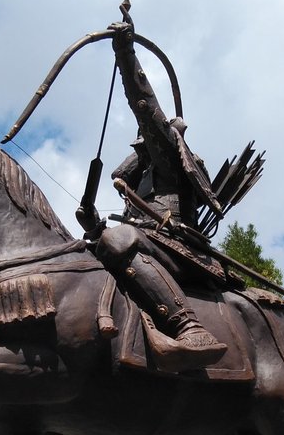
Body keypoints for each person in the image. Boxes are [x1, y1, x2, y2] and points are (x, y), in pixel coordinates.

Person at [85, 19, 228, 372]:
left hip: (176, 244)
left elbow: (146, 107)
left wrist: (125, 53)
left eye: (144, 141)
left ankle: (190, 327)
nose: (138, 149)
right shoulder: (143, 177)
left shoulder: (172, 163)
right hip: (143, 240)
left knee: (122, 237)